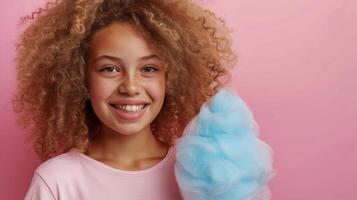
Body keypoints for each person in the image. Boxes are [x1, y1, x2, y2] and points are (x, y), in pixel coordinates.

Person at [13, 0, 236, 199]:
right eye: (109, 69)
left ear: (170, 78)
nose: (130, 87)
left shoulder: (200, 170)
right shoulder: (58, 182)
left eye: (148, 68)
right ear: (79, 78)